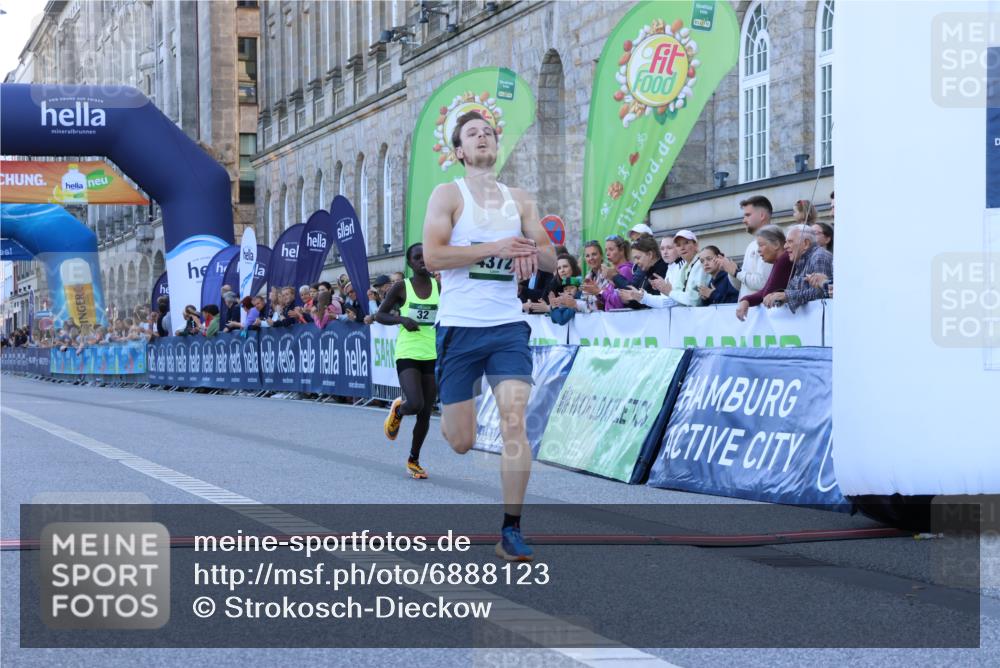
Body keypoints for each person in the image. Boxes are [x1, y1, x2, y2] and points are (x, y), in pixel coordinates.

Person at [422, 109, 556, 562]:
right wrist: (497, 247)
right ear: (459, 151)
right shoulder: (448, 195)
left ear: (496, 146)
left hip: (507, 328)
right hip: (460, 328)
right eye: (472, 134)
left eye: (489, 132)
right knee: (461, 440)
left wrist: (529, 251)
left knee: (516, 420)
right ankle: (439, 407)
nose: (483, 137)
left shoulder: (519, 200)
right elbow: (434, 257)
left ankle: (511, 529)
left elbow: (552, 260)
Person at [378, 243, 441, 479]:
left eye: (425, 255)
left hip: (430, 353)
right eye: (417, 257)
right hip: (407, 352)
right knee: (415, 404)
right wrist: (402, 320)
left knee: (425, 412)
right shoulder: (401, 287)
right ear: (410, 263)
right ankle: (399, 410)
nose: (422, 260)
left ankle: (414, 460)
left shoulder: (439, 286)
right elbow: (380, 315)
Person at [766, 224, 834, 312]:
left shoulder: (819, 256)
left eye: (790, 241)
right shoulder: (801, 260)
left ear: (806, 243)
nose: (785, 246)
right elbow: (795, 291)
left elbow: (823, 293)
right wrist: (776, 296)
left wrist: (787, 296)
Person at [719, 195, 774, 299]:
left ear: (762, 215)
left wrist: (737, 272)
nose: (743, 220)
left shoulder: (772, 241)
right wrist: (731, 270)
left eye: (747, 215)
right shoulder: (752, 245)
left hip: (762, 311)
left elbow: (763, 283)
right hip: (749, 311)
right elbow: (741, 287)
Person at [735, 225, 793, 321]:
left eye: (761, 245)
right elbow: (766, 291)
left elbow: (767, 293)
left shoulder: (784, 259)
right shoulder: (781, 259)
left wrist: (746, 300)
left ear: (776, 244)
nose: (758, 250)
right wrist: (746, 300)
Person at [618, 235, 670, 308]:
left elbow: (655, 302)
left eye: (638, 258)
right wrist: (630, 299)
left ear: (650, 254)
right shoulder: (646, 272)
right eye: (634, 259)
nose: (635, 262)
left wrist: (632, 299)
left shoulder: (662, 271)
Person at [598, 235, 634, 310]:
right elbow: (607, 300)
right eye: (606, 250)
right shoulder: (612, 271)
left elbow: (619, 302)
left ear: (621, 250)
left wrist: (600, 291)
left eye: (611, 249)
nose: (607, 253)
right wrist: (596, 292)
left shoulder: (626, 270)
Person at [580, 240, 611, 311]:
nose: (591, 258)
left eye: (594, 254)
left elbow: (609, 300)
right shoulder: (587, 277)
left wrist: (597, 292)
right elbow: (585, 301)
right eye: (587, 256)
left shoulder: (609, 273)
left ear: (601, 255)